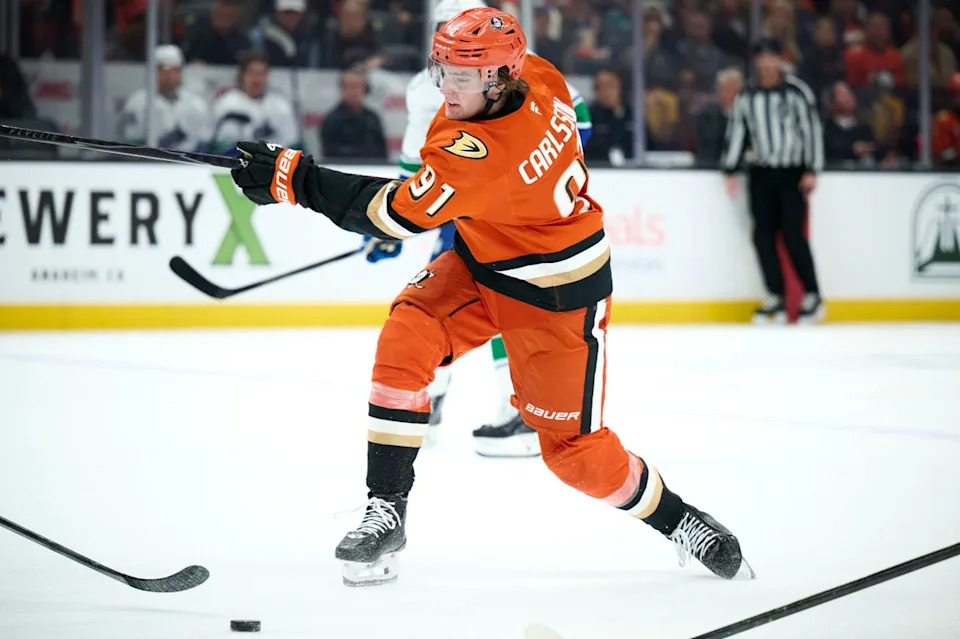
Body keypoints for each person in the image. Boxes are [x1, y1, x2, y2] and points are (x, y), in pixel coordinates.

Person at [230, 7, 753, 587]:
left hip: (556, 297)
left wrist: (292, 178)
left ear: (500, 77)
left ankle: (681, 520)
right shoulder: (540, 75)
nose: (446, 89)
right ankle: (387, 511)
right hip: (484, 264)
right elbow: (557, 123)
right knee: (406, 333)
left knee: (575, 456)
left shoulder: (484, 154)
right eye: (443, 71)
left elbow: (392, 214)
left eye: (461, 76)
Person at [360, 0, 594, 459]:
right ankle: (432, 403)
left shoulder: (518, 72)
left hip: (509, 209)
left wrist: (528, 169)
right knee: (433, 304)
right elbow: (414, 170)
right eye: (446, 32)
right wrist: (395, 220)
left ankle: (521, 413)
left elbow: (576, 120)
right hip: (461, 204)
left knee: (504, 295)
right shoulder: (423, 89)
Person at [722, 37, 825, 324]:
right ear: (756, 62)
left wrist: (812, 169)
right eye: (761, 58)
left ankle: (813, 295)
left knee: (793, 234)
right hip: (762, 172)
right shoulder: (747, 96)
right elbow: (738, 133)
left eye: (772, 57)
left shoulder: (796, 92)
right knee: (762, 235)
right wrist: (729, 169)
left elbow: (811, 130)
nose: (767, 63)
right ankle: (775, 296)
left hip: (792, 171)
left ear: (780, 60)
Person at [120, 45, 211, 152]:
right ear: (152, 72)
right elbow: (131, 141)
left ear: (180, 72)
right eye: (162, 70)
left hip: (189, 164)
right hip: (149, 164)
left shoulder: (196, 103)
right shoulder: (137, 102)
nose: (169, 76)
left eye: (174, 70)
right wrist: (159, 145)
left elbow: (205, 141)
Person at [210, 50, 299, 155]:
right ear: (241, 75)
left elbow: (293, 145)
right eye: (252, 73)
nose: (257, 79)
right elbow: (219, 148)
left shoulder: (281, 105)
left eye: (262, 74)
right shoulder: (226, 105)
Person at [321, 69, 388, 160]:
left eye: (358, 87)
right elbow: (330, 152)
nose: (354, 91)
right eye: (350, 87)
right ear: (342, 89)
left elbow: (382, 152)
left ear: (365, 90)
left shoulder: (372, 118)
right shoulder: (332, 120)